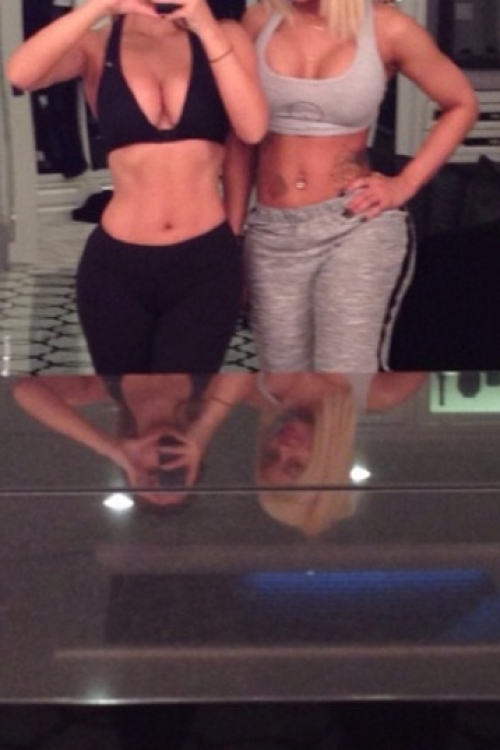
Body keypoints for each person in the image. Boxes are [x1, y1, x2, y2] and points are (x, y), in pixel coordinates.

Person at [6, 0, 268, 374]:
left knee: (184, 399)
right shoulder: (97, 45)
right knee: (126, 402)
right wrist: (99, 6)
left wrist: (205, 25)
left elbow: (252, 130)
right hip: (116, 267)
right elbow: (20, 73)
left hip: (205, 259)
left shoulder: (225, 35)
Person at [223, 0, 478, 372]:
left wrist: (405, 184)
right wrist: (232, 237)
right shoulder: (260, 20)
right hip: (273, 231)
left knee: (340, 377)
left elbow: (462, 103)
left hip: (353, 222)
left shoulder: (388, 27)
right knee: (284, 381)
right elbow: (240, 139)